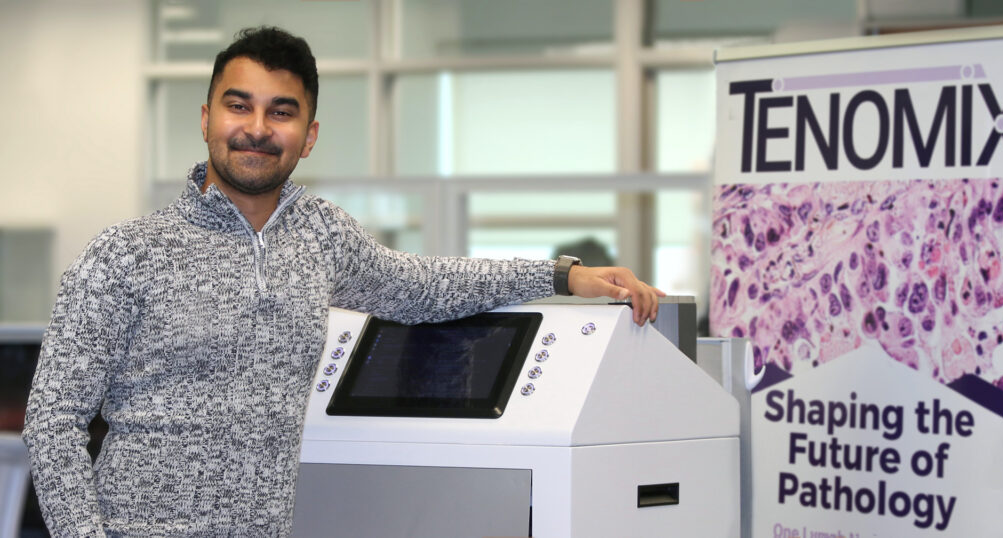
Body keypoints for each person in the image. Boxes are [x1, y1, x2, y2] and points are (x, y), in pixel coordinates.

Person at [22, 26, 664, 537]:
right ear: (206, 116)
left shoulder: (322, 234)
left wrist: (559, 274)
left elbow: (424, 288)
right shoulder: (126, 253)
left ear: (309, 137)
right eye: (237, 105)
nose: (256, 128)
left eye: (282, 112)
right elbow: (52, 422)